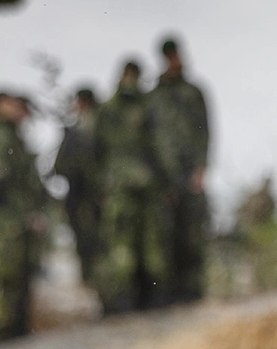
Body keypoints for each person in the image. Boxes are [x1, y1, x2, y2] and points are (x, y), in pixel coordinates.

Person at [93, 60, 169, 313]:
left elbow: (95, 152)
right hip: (141, 182)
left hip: (120, 184)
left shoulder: (106, 109)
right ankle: (145, 299)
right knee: (144, 242)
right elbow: (159, 148)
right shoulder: (147, 107)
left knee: (124, 242)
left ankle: (126, 301)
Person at [0, 91, 52, 339]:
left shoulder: (12, 136)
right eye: (12, 105)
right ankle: (6, 331)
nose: (19, 111)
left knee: (20, 274)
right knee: (7, 275)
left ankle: (16, 329)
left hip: (18, 217)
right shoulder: (0, 137)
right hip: (6, 220)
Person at [150, 36, 210, 304]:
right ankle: (169, 293)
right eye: (169, 55)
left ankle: (193, 292)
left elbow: (205, 131)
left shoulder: (194, 92)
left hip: (189, 173)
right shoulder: (154, 96)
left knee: (193, 233)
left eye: (176, 54)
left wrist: (201, 168)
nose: (174, 60)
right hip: (162, 176)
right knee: (164, 234)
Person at [53, 87, 103, 285]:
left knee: (94, 243)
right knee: (88, 241)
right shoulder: (78, 130)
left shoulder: (93, 129)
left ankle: (99, 283)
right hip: (82, 196)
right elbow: (60, 166)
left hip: (92, 197)